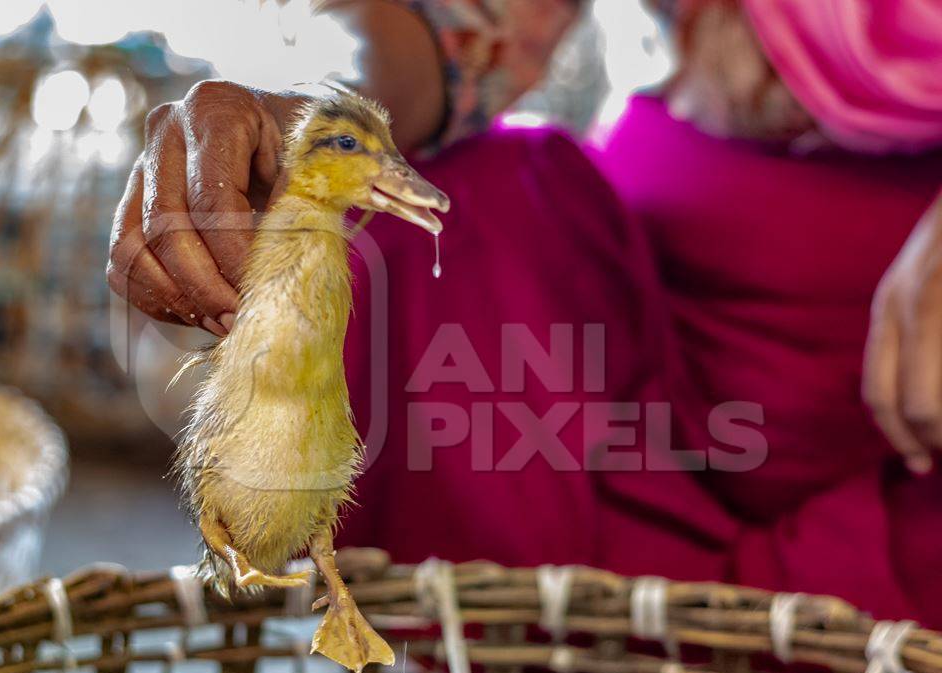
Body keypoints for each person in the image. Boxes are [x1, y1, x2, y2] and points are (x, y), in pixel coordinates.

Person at [107, 0, 942, 627]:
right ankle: (534, 632)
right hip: (629, 436)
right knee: (461, 198)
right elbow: (442, 27)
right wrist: (307, 111)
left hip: (898, 479)